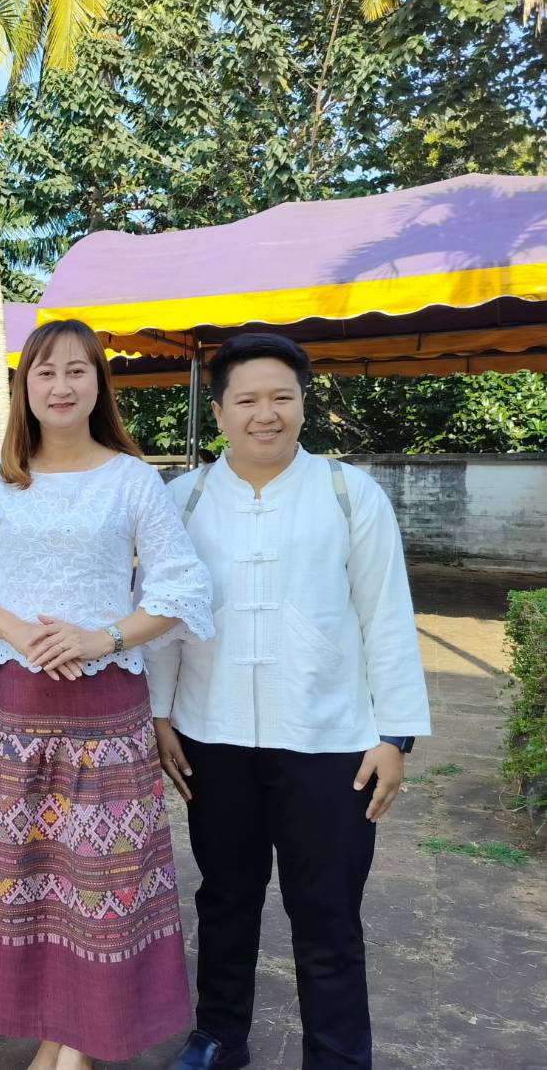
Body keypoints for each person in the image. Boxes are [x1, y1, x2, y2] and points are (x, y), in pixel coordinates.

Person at [147, 333, 430, 1070]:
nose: (263, 414)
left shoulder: (348, 493)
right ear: (219, 410)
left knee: (327, 913)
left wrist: (394, 736)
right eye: (245, 399)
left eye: (280, 397)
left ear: (303, 403)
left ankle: (336, 1056)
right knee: (225, 899)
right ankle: (217, 1037)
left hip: (330, 743)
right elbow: (164, 621)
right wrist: (159, 715)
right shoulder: (186, 499)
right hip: (214, 737)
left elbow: (385, 615)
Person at [0, 320, 213, 1070]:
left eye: (75, 372)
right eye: (44, 373)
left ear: (98, 383)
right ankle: (58, 1034)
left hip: (105, 714)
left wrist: (101, 639)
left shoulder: (130, 479)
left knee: (100, 880)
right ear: (24, 387)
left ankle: (79, 1042)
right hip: (17, 710)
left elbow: (181, 587)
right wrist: (21, 632)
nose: (60, 387)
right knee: (30, 873)